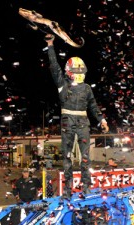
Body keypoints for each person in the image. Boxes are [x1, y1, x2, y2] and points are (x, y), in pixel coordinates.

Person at [45, 34, 109, 198]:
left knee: (85, 158)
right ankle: (68, 191)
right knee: (67, 157)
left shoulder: (87, 88)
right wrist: (50, 45)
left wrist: (102, 119)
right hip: (69, 120)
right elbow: (54, 66)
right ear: (70, 71)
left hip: (81, 121)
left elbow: (93, 105)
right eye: (76, 70)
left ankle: (86, 188)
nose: (79, 73)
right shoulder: (62, 83)